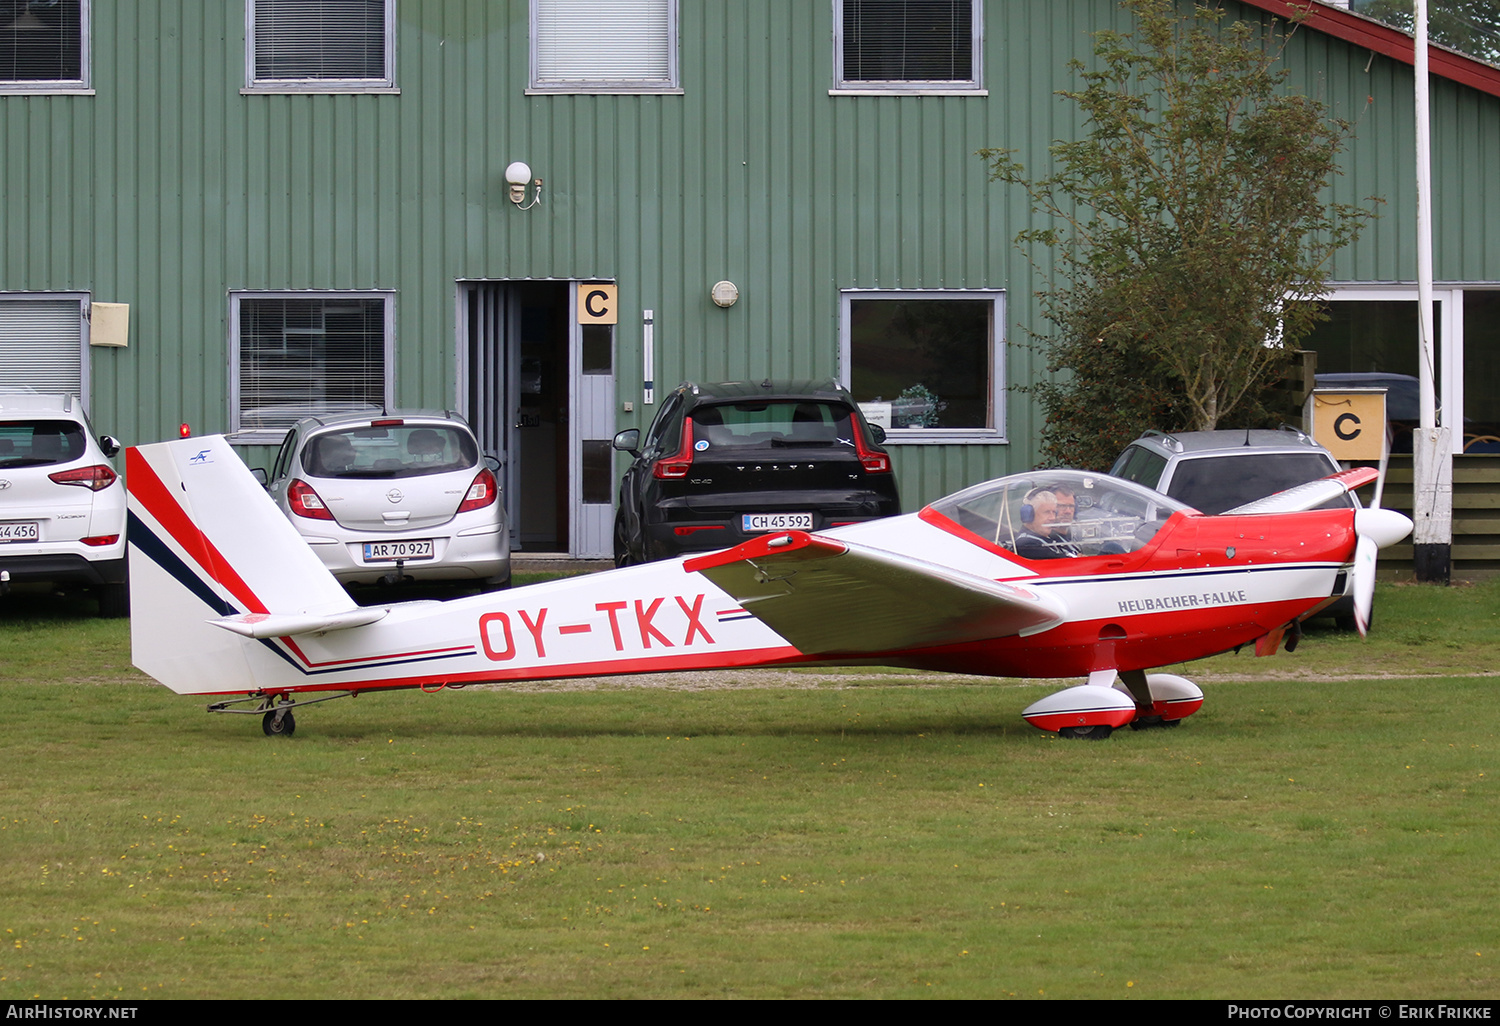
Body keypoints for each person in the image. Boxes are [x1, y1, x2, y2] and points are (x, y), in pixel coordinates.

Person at [1014, 487, 1081, 560]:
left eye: (1054, 512)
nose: (1052, 518)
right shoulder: (1026, 544)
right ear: (1029, 514)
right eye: (1047, 512)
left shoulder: (1052, 538)